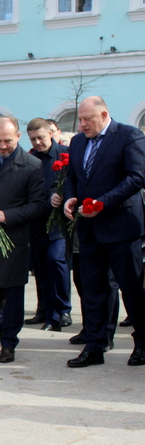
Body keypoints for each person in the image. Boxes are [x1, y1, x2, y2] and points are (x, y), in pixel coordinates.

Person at [61, 96, 145, 368]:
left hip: (122, 228)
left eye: (88, 119)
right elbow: (72, 178)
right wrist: (70, 198)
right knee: (93, 290)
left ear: (104, 115)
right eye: (80, 119)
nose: (82, 125)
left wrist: (102, 203)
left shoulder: (129, 136)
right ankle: (95, 346)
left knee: (131, 289)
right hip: (89, 230)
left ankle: (142, 344)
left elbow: (137, 177)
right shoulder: (78, 142)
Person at [0, 117, 45, 363]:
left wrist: (7, 215)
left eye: (8, 141)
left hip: (12, 238)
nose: (2, 146)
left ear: (18, 137)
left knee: (12, 294)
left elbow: (38, 205)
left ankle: (9, 342)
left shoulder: (31, 165)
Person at [26, 117, 72, 331]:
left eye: (41, 137)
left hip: (58, 222)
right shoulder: (30, 159)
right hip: (37, 221)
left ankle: (63, 310)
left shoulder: (66, 154)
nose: (37, 142)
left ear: (51, 134)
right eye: (33, 139)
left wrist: (61, 196)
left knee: (56, 260)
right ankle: (44, 310)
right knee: (41, 267)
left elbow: (73, 182)